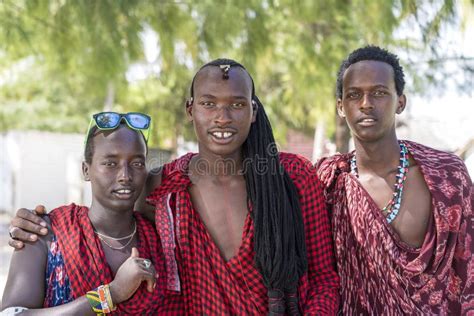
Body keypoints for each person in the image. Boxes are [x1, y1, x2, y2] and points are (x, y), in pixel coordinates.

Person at [7, 59, 340, 314]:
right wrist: (37, 225)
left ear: (253, 112)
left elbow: (325, 278)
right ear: (190, 109)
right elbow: (107, 211)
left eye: (237, 104)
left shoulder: (292, 178)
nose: (222, 117)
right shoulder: (166, 189)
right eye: (209, 104)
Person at [316, 45, 473, 314]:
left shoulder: (448, 176)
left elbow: (468, 270)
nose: (366, 104)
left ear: (400, 102)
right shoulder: (327, 183)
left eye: (379, 93)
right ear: (341, 107)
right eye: (354, 95)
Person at [2, 113, 164, 315]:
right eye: (110, 163)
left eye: (137, 163)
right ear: (86, 170)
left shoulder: (161, 241)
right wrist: (111, 294)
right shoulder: (46, 232)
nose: (125, 176)